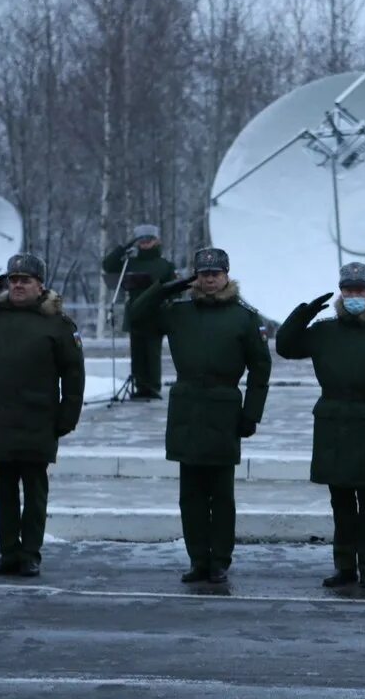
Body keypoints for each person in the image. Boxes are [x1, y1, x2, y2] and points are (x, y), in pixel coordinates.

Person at [129, 247, 271, 583]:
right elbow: (136, 318)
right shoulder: (179, 311)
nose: (210, 279)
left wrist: (251, 414)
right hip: (187, 408)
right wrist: (166, 288)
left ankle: (219, 560)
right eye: (204, 274)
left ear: (226, 275)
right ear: (196, 276)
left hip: (224, 408)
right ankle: (198, 559)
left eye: (216, 273)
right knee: (190, 495)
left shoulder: (244, 316)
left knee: (221, 494)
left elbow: (260, 368)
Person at [275, 262, 365, 590]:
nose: (355, 296)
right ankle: (344, 565)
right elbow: (285, 346)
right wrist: (302, 314)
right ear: (342, 292)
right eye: (349, 290)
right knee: (339, 500)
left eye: (361, 291)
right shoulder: (324, 331)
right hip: (333, 424)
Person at [0, 253, 85, 578]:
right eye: (13, 280)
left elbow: (74, 376)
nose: (18, 285)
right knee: (5, 494)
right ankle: (8, 553)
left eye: (26, 280)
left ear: (40, 286)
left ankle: (30, 554)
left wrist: (68, 417)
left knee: (34, 494)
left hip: (38, 422)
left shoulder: (58, 325)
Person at [102, 224, 176, 399]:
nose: (145, 243)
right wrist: (125, 247)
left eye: (149, 239)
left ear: (156, 241)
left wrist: (168, 302)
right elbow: (108, 265)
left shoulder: (165, 265)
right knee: (137, 352)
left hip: (156, 313)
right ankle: (140, 386)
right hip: (136, 312)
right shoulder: (130, 262)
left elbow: (175, 289)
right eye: (141, 240)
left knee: (152, 352)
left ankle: (153, 387)